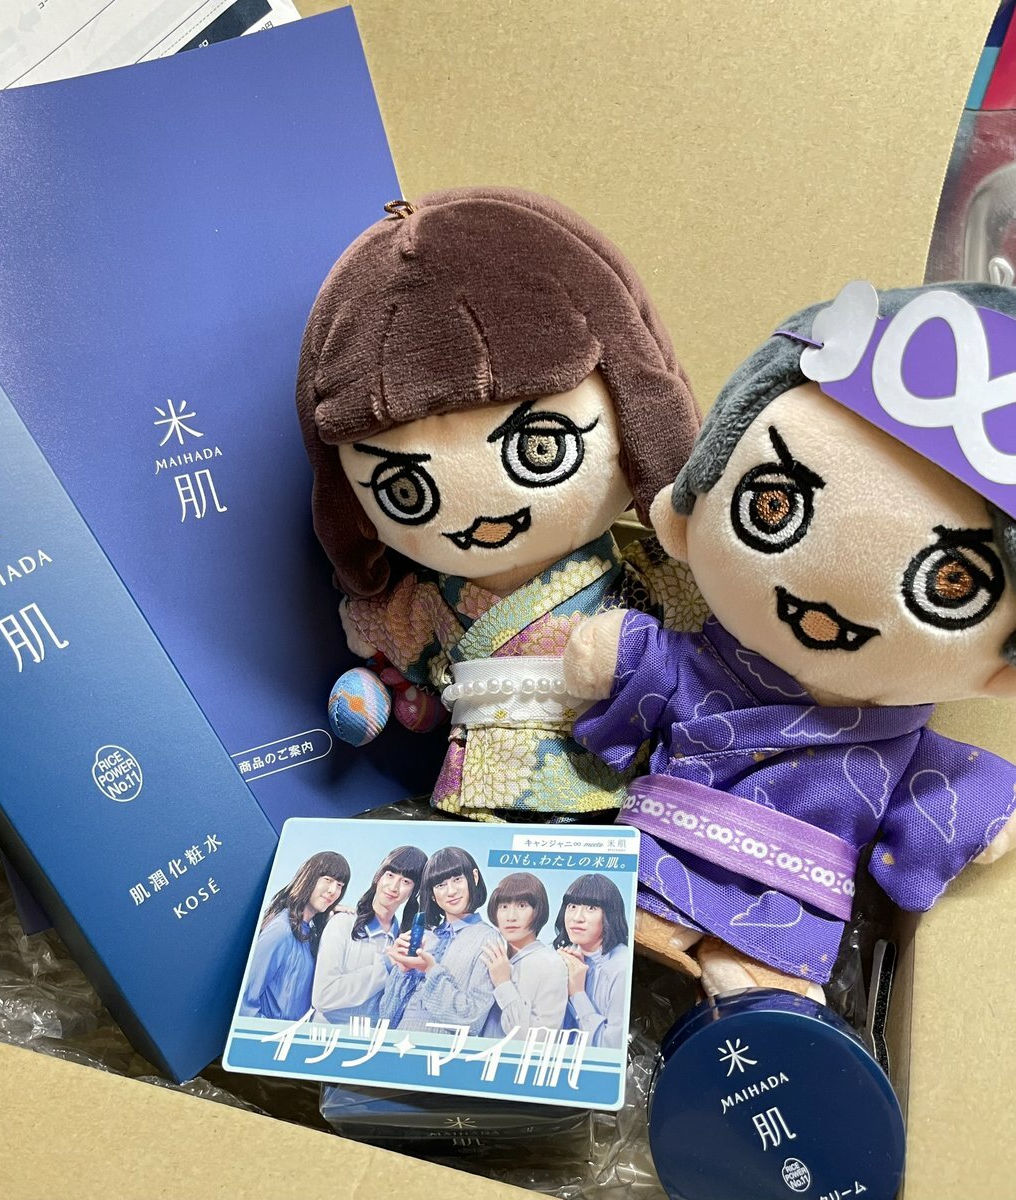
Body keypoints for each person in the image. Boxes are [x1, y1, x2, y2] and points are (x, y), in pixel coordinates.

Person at [566, 281, 1016, 1001]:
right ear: (692, 505)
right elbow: (655, 662)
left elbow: (941, 785)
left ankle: (754, 989)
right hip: (661, 850)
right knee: (607, 945)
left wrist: (985, 806)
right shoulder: (707, 662)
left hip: (791, 898)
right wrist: (620, 650)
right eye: (773, 505)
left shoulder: (896, 737)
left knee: (757, 1002)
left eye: (951, 583)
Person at [295, 186, 703, 821]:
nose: (481, 515)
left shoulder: (640, 579)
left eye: (541, 448)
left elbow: (699, 634)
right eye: (406, 490)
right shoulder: (433, 602)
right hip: (478, 793)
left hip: (619, 778)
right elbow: (390, 638)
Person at [379, 846, 500, 1034]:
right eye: (440, 885)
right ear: (432, 895)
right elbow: (386, 1017)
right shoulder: (424, 937)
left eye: (457, 879)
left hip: (439, 1049)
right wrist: (403, 972)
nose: (451, 891)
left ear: (474, 877)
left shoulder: (488, 938)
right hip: (396, 1045)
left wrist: (431, 970)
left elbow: (472, 1020)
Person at [312, 845, 428, 1024]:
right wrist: (386, 964)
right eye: (390, 875)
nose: (393, 887)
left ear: (415, 891)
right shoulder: (343, 923)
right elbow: (323, 996)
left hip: (373, 1038)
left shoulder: (404, 942)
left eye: (406, 881)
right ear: (378, 876)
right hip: (328, 1036)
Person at [239, 850, 350, 1020]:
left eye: (340, 885)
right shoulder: (281, 930)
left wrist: (333, 923)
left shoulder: (310, 933)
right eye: (328, 880)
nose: (333, 890)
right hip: (271, 1034)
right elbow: (244, 1004)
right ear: (309, 878)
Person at [479, 872, 567, 1039]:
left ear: (538, 910)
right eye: (504, 906)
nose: (511, 917)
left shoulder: (551, 964)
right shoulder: (493, 956)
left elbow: (537, 1040)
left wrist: (503, 984)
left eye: (521, 906)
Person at [553, 873, 630, 1050]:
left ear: (610, 914)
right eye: (572, 906)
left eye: (591, 908)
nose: (577, 917)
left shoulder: (622, 966)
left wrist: (577, 993)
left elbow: (610, 1048)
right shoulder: (562, 957)